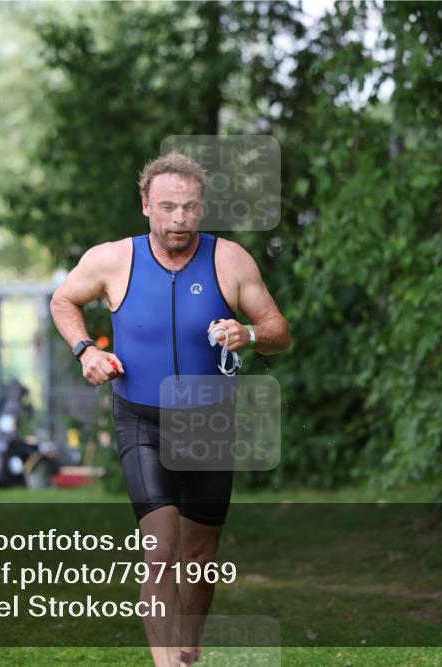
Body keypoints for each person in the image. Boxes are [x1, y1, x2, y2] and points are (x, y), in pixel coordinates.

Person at [50, 152, 290, 666]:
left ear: (202, 209)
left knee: (199, 558)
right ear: (146, 206)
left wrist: (246, 333)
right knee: (159, 552)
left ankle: (188, 652)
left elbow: (278, 331)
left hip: (208, 421)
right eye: (167, 207)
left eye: (188, 207)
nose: (178, 218)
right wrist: (86, 351)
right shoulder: (113, 260)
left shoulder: (230, 260)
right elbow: (63, 301)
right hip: (141, 419)